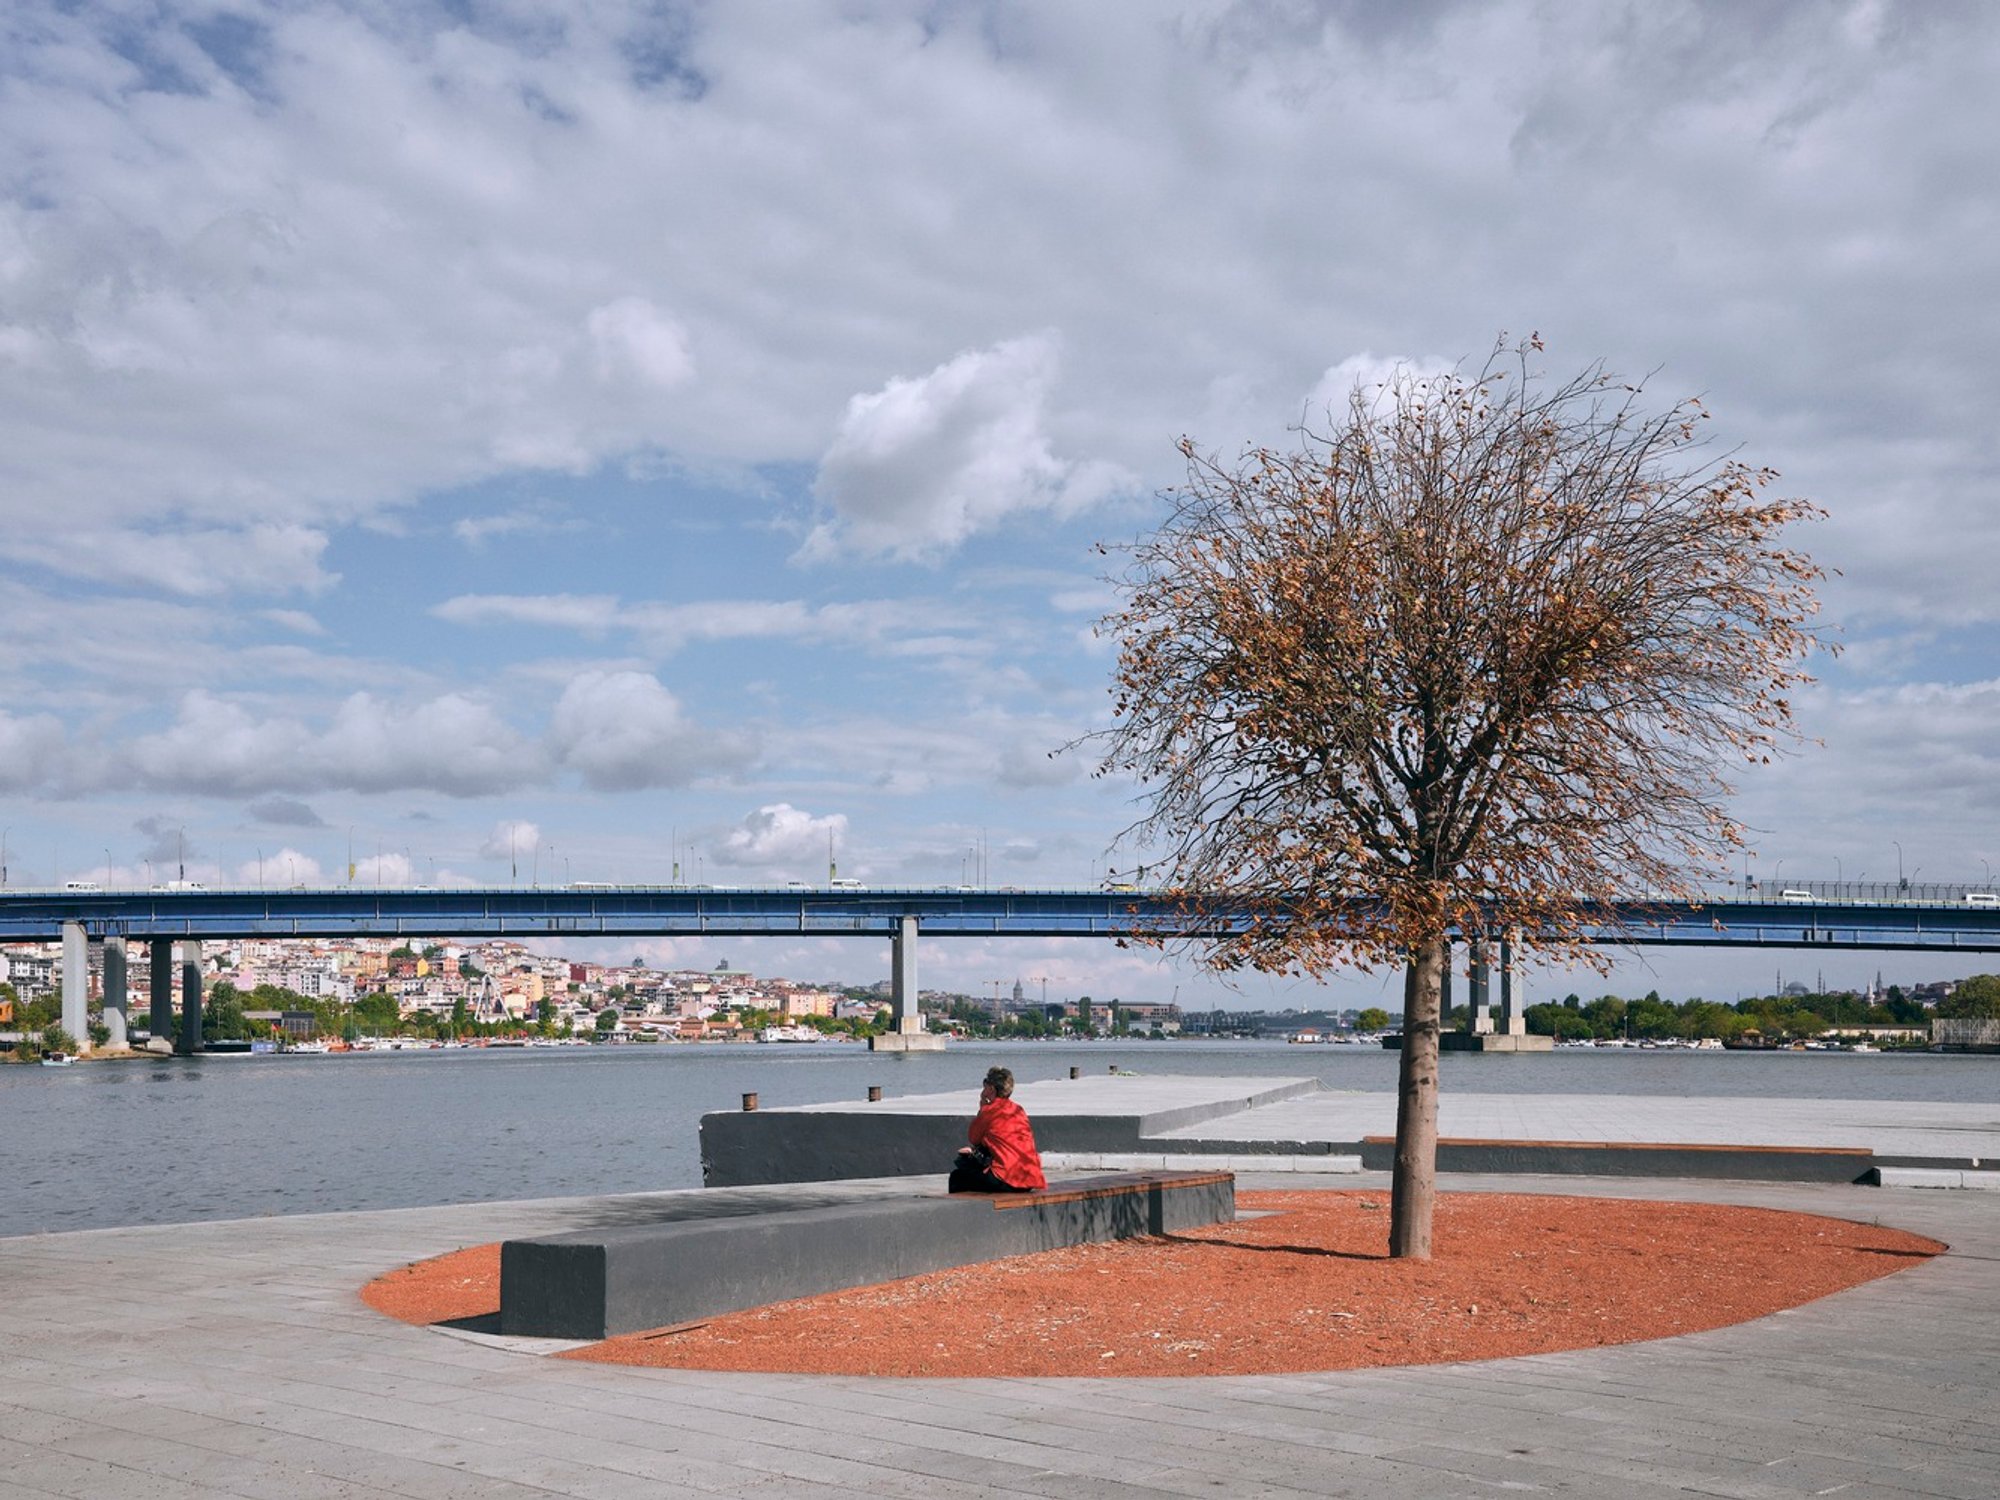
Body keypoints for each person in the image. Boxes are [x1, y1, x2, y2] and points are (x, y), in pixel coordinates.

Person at [948, 1065, 1046, 1193]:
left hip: (1006, 1177)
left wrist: (982, 1108)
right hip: (1030, 1178)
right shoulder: (1018, 1110)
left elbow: (973, 1138)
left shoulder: (990, 1111)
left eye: (985, 1086)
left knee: (957, 1177)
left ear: (991, 1089)